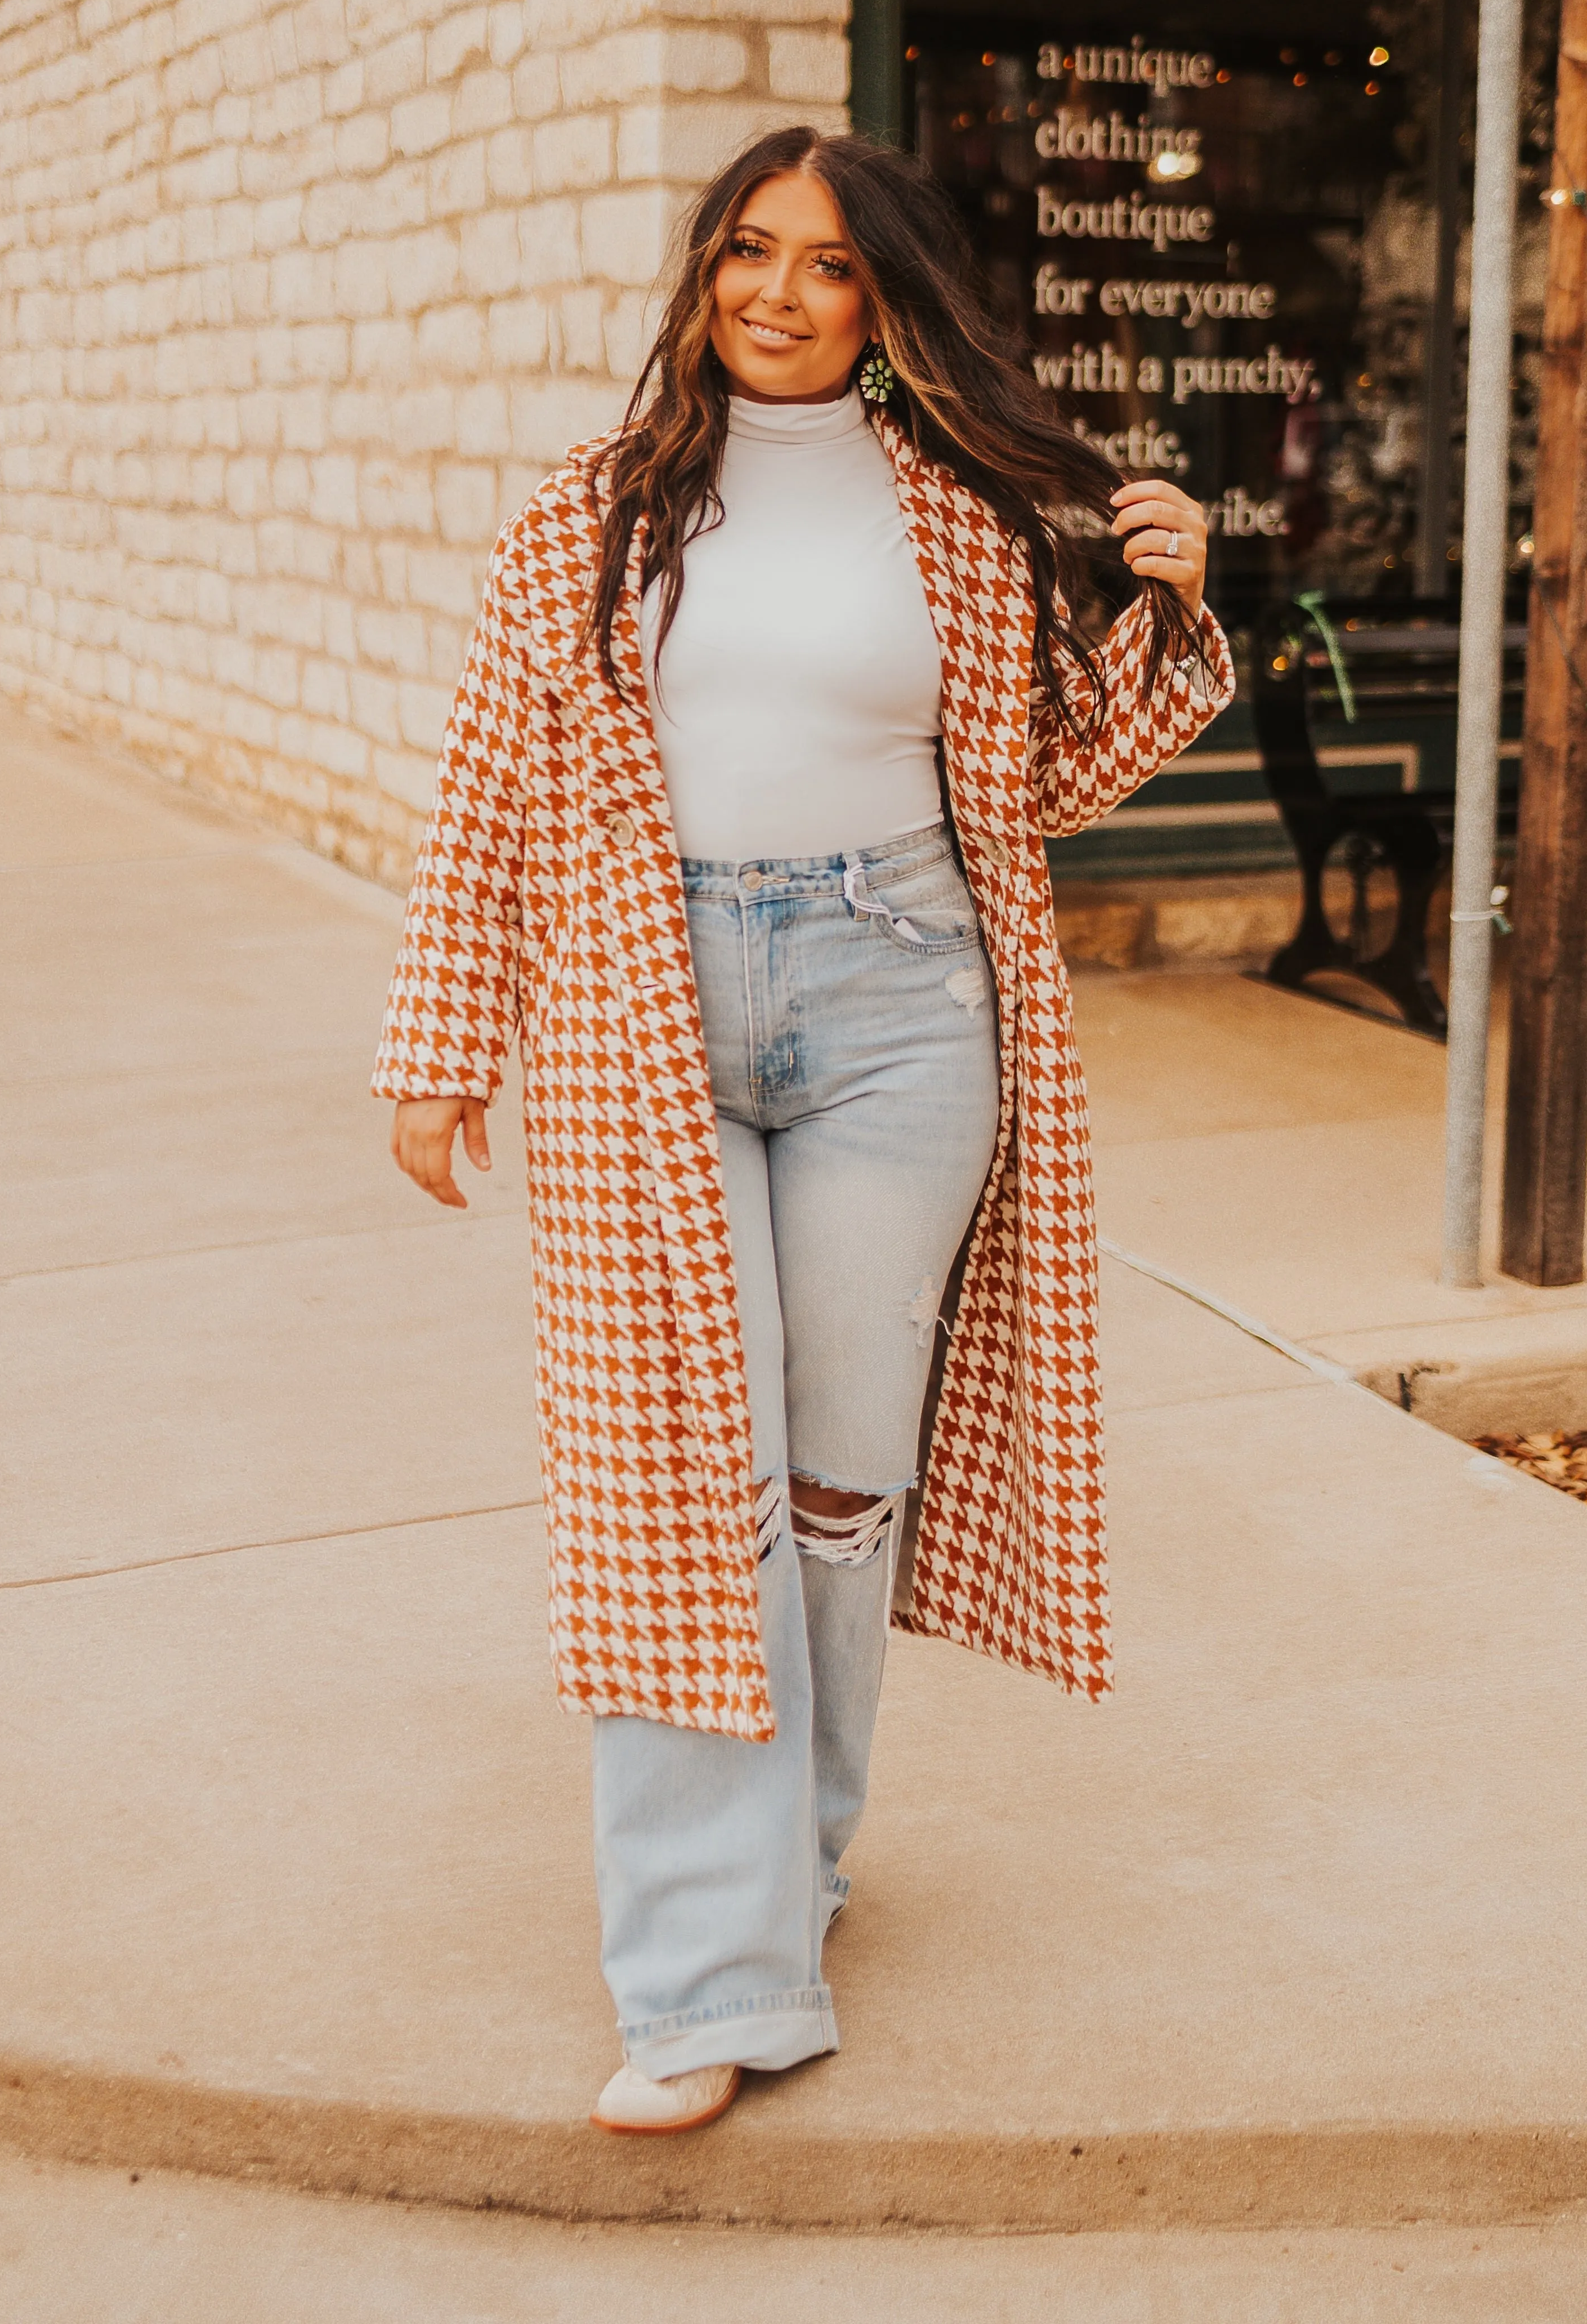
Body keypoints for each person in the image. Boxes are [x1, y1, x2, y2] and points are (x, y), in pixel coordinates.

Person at [374, 126, 1232, 2135]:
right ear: (702, 271)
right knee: (685, 1496)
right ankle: (698, 1988)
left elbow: (1037, 781)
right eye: (747, 250)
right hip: (638, 1015)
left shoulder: (960, 515)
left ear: (886, 300)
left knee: (838, 1493)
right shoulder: (582, 519)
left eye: (829, 266)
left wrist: (1165, 613)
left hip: (898, 1003)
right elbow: (487, 787)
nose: (777, 290)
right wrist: (441, 1044)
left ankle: (792, 1882)